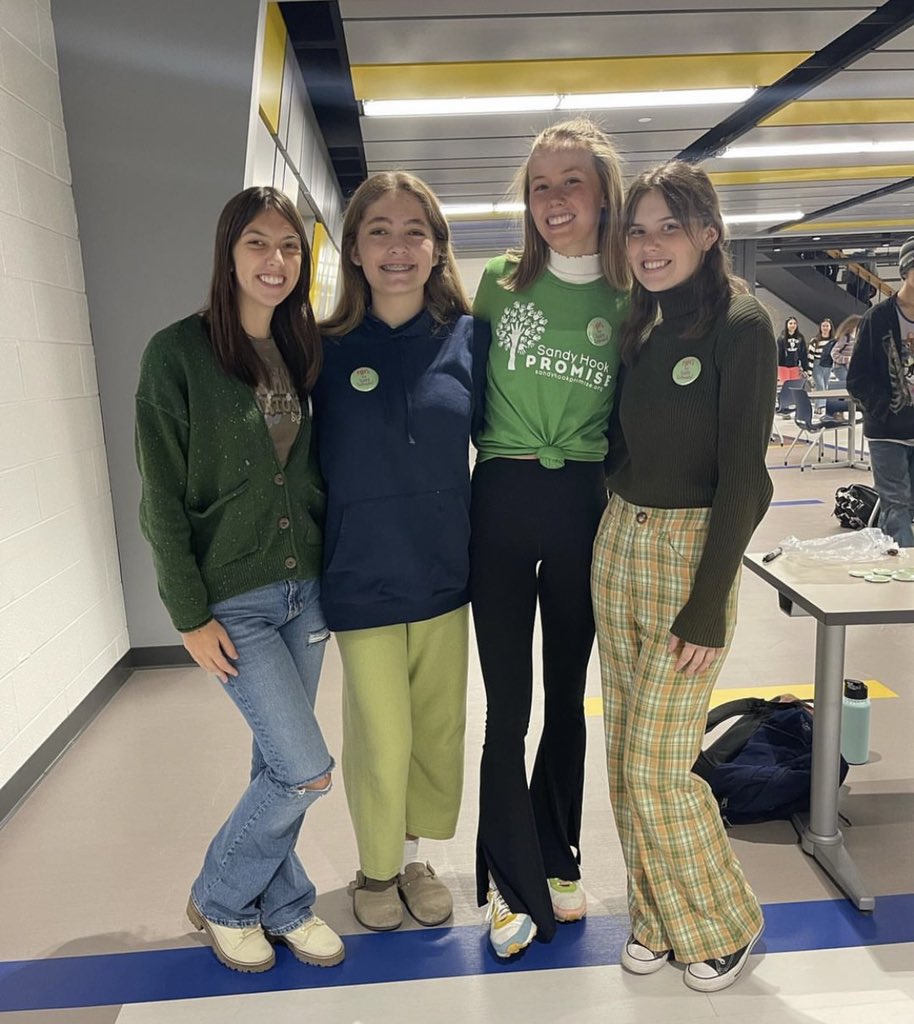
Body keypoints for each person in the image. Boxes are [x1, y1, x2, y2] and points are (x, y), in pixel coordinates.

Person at [135, 187, 344, 973]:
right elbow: (160, 494)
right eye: (259, 243)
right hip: (235, 600)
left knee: (273, 762)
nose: (276, 261)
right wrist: (188, 615)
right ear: (229, 253)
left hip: (307, 592)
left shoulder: (304, 348)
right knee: (305, 767)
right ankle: (222, 897)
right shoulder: (176, 353)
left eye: (290, 247)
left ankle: (285, 904)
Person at [591, 161, 774, 992]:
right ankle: (657, 917)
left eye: (670, 227)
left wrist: (707, 604)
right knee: (624, 748)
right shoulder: (641, 324)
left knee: (657, 768)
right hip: (620, 544)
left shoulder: (741, 323)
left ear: (708, 233)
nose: (652, 244)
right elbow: (622, 441)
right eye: (638, 229)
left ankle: (725, 921)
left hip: (691, 559)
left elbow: (746, 479)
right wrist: (616, 502)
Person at [470, 117, 630, 958]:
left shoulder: (626, 295)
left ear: (603, 193)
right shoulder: (498, 283)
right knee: (508, 707)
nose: (555, 198)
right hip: (501, 497)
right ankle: (506, 880)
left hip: (582, 503)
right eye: (540, 184)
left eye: (572, 181)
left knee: (567, 697)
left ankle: (560, 853)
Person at [312, 172, 488, 932]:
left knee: (436, 732)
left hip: (447, 575)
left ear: (437, 247)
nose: (397, 246)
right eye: (378, 229)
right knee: (381, 735)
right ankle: (376, 867)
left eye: (414, 229)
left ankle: (415, 858)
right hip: (362, 578)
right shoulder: (317, 350)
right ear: (353, 248)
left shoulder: (469, 341)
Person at [847, 236, 914, 547]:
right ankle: (904, 576)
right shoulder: (879, 318)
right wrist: (884, 409)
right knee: (897, 505)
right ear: (905, 271)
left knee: (904, 506)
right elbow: (856, 378)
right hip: (888, 432)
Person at [776, 316, 807, 414]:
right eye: (790, 323)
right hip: (783, 367)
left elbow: (803, 354)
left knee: (794, 387)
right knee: (785, 387)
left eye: (794, 323)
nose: (792, 325)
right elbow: (779, 353)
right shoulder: (781, 338)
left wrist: (805, 368)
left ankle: (792, 407)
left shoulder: (800, 338)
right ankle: (783, 407)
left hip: (795, 367)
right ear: (787, 325)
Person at [808, 317, 836, 411]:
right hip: (817, 365)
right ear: (820, 327)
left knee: (825, 386)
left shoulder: (833, 341)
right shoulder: (815, 340)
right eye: (823, 326)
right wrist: (809, 372)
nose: (825, 328)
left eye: (827, 326)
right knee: (821, 386)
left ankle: (817, 407)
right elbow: (811, 356)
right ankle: (821, 406)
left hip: (828, 366)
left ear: (830, 327)